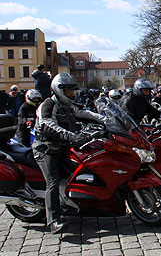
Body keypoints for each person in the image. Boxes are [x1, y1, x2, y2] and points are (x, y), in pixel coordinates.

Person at [33, 73, 106, 234]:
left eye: (73, 91)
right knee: (53, 180)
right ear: (59, 90)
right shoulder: (48, 105)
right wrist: (73, 137)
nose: (72, 95)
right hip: (46, 149)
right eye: (69, 91)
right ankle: (54, 221)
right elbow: (50, 126)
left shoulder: (67, 105)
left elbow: (84, 114)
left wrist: (106, 120)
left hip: (64, 147)